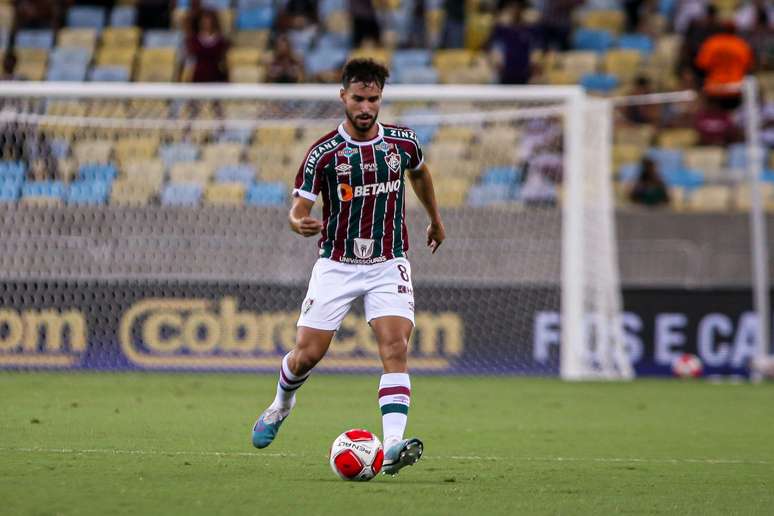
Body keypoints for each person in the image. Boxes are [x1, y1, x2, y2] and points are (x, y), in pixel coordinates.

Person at [251, 58, 446, 477]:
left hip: (388, 261)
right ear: (343, 97)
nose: (366, 107)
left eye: (373, 99)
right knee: (307, 355)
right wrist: (297, 221)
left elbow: (420, 174)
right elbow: (298, 207)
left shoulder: (402, 142)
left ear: (380, 99)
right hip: (337, 264)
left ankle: (392, 444)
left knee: (395, 349)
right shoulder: (323, 154)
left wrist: (435, 217)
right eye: (358, 98)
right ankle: (282, 404)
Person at [695, 22, 754, 110]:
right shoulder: (741, 45)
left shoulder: (711, 43)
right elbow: (749, 67)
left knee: (717, 117)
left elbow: (701, 65)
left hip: (715, 88)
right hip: (735, 89)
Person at [489, 0, 533, 85]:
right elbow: (495, 51)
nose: (514, 9)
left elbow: (533, 51)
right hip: (504, 74)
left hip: (523, 73)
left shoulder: (528, 28)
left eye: (517, 6)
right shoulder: (500, 28)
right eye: (511, 7)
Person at [186, 10, 229, 83]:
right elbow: (189, 61)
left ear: (213, 22)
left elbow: (224, 61)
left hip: (216, 76)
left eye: (208, 20)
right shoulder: (193, 40)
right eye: (204, 21)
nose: (206, 23)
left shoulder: (221, 41)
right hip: (198, 77)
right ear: (199, 22)